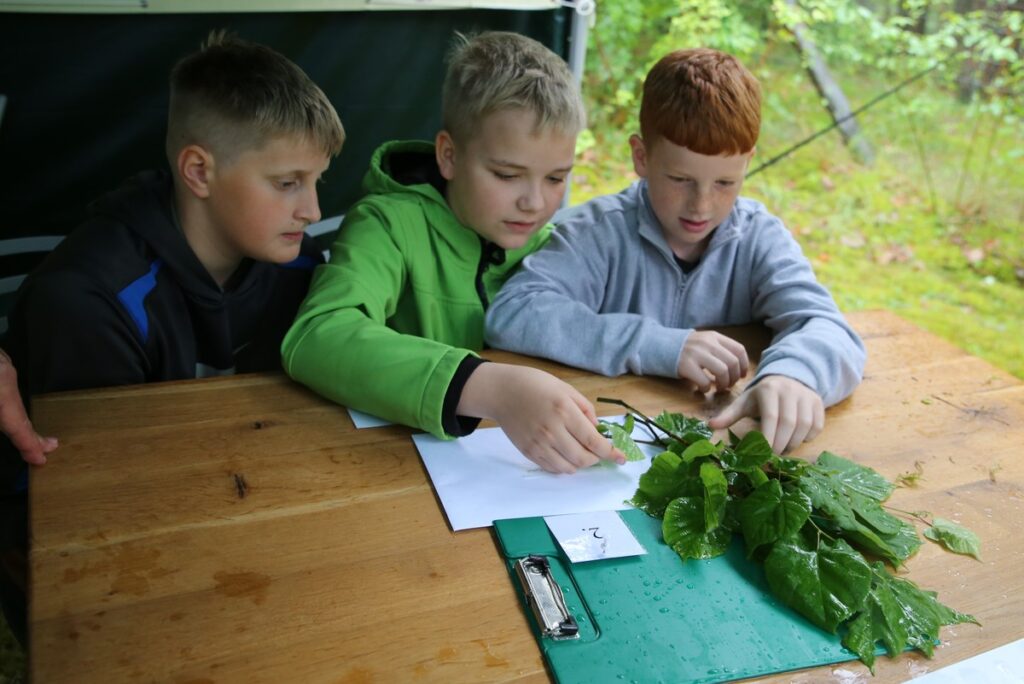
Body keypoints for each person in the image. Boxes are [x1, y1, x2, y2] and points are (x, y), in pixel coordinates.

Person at [0, 30, 345, 647]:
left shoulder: (296, 263)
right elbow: (93, 516)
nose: (313, 210)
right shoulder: (87, 302)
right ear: (198, 171)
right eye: (288, 182)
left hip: (228, 508)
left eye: (316, 181)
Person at [485, 47, 866, 454]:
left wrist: (795, 375)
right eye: (681, 179)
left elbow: (829, 328)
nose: (701, 205)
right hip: (604, 449)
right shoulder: (595, 233)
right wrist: (660, 345)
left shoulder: (759, 239)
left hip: (724, 449)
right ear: (641, 156)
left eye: (724, 183)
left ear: (747, 164)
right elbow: (513, 312)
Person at [282, 31, 624, 475]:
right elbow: (318, 336)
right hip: (378, 473)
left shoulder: (558, 247)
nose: (535, 203)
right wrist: (489, 387)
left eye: (557, 178)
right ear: (448, 155)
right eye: (507, 175)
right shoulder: (387, 225)